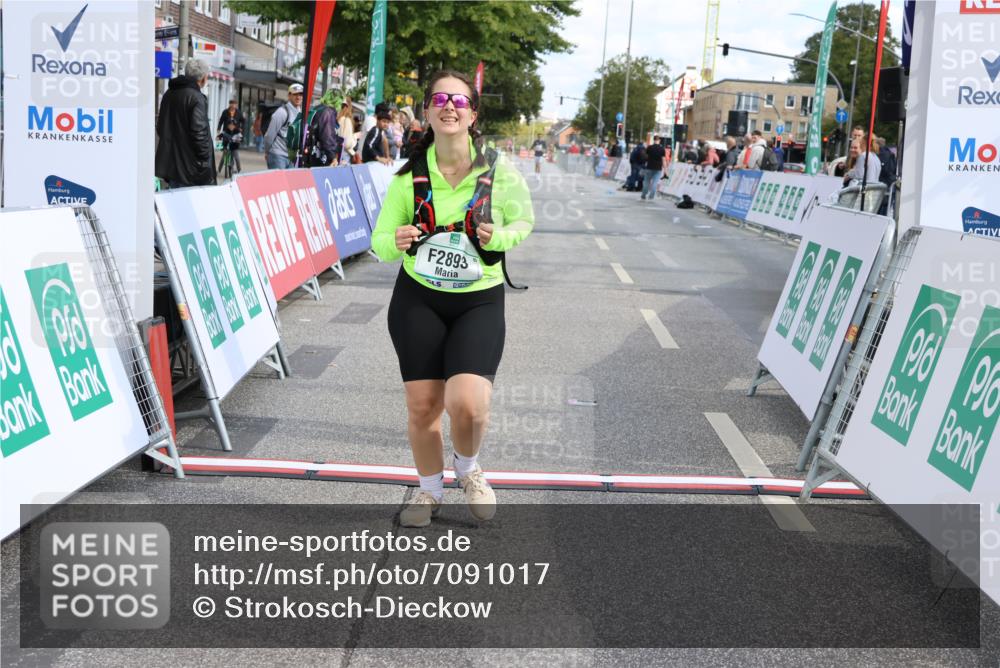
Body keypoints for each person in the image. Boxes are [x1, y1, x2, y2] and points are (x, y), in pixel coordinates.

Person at [371, 69, 534, 528]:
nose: (448, 106)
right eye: (439, 99)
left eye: (459, 101)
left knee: (469, 404)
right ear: (426, 111)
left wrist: (498, 236)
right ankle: (428, 490)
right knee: (423, 407)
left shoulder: (500, 173)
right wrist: (396, 241)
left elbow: (524, 224)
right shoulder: (408, 179)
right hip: (418, 299)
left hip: (478, 301)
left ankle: (468, 467)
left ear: (473, 115)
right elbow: (379, 239)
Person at [155, 58, 216, 188]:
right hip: (191, 169)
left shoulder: (169, 94)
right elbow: (199, 134)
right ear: (203, 78)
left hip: (171, 166)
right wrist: (205, 162)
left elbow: (160, 127)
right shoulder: (196, 98)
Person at [264, 83, 303, 169]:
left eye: (300, 94)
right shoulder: (282, 112)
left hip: (292, 157)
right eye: (295, 94)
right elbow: (270, 135)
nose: (298, 97)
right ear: (289, 96)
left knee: (291, 183)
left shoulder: (301, 113)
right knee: (278, 182)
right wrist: (267, 151)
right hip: (278, 156)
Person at [304, 89, 343, 167]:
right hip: (320, 157)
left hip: (310, 153)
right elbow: (327, 136)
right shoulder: (328, 113)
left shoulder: (317, 108)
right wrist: (333, 157)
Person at [216, 98, 245, 174]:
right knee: (225, 154)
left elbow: (243, 121)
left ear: (236, 105)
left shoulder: (238, 112)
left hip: (236, 134)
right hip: (226, 133)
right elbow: (221, 121)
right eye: (231, 104)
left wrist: (241, 128)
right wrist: (218, 130)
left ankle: (239, 171)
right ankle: (218, 170)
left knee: (236, 155)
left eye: (234, 104)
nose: (233, 105)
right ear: (229, 104)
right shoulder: (225, 112)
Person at [640, 136, 666, 201]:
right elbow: (663, 160)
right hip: (658, 168)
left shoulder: (649, 147)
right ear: (659, 140)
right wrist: (665, 169)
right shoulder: (662, 149)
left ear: (653, 140)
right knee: (655, 182)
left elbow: (646, 156)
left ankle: (644, 195)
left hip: (649, 167)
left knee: (646, 182)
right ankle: (651, 196)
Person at [337, 98, 356, 164]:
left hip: (338, 151)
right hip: (345, 153)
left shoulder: (338, 119)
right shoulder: (347, 120)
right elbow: (347, 143)